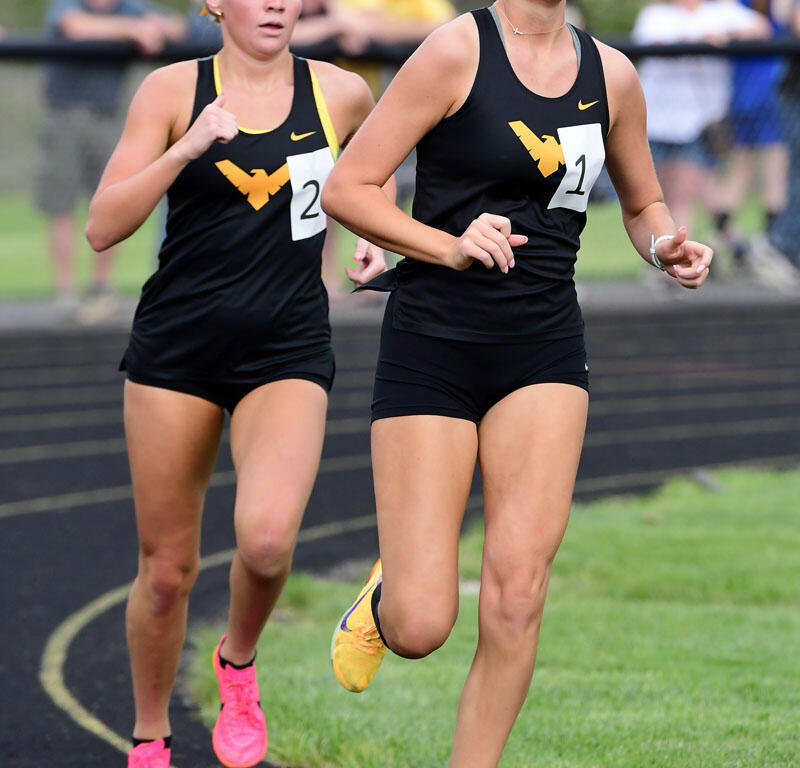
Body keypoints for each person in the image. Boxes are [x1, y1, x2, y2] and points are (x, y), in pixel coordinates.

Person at [322, 1, 713, 765]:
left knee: (516, 594)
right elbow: (350, 188)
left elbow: (642, 203)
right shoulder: (454, 52)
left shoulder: (614, 76)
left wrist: (665, 244)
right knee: (419, 626)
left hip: (543, 350)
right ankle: (390, 593)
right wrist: (449, 243)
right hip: (433, 342)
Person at [85, 0, 386, 765]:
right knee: (165, 574)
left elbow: (374, 182)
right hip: (177, 351)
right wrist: (185, 148)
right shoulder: (170, 91)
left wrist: (372, 241)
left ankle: (239, 662)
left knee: (266, 539)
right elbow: (103, 225)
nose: (278, 3)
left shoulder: (342, 94)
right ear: (215, 4)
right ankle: (150, 735)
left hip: (285, 347)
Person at [38, 0, 185, 321]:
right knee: (61, 205)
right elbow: (74, 26)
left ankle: (101, 289)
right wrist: (132, 31)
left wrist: (151, 27)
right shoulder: (70, 4)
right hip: (64, 114)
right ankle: (65, 293)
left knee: (112, 198)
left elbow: (176, 25)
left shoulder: (130, 8)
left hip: (109, 117)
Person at [632, 0, 768, 234]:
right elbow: (653, 41)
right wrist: (699, 40)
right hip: (656, 121)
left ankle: (678, 262)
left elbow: (761, 28)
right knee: (660, 197)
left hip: (698, 123)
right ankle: (728, 243)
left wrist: (725, 36)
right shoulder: (656, 15)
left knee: (681, 194)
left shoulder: (720, 12)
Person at [710, 0, 788, 274]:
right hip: (766, 93)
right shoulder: (734, 9)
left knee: (743, 169)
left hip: (751, 93)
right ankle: (771, 243)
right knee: (774, 169)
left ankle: (721, 236)